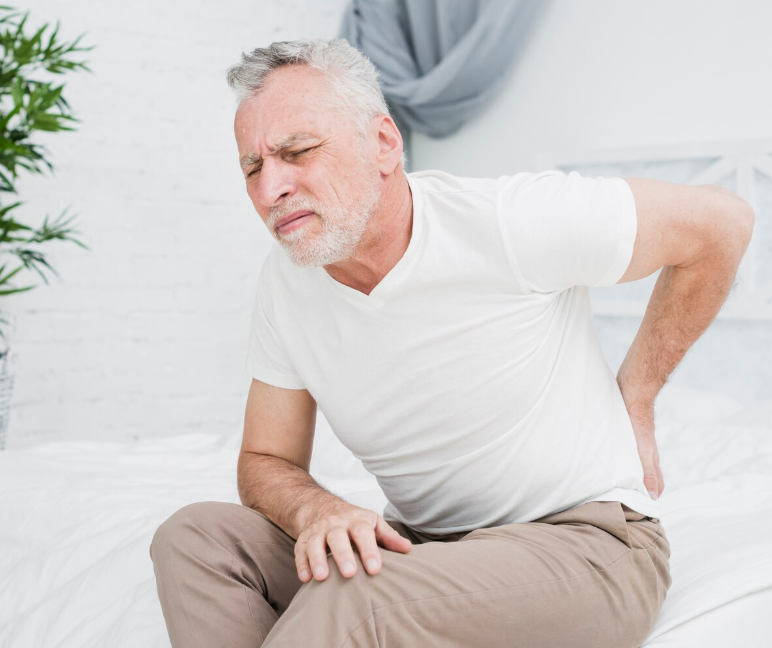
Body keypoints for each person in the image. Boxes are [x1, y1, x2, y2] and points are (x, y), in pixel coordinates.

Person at [149, 38, 754, 648]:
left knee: (356, 601)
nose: (268, 189)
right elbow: (265, 461)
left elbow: (722, 225)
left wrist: (639, 394)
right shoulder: (287, 285)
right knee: (195, 539)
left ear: (383, 144)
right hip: (426, 551)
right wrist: (317, 510)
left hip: (584, 544)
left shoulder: (512, 220)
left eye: (297, 151)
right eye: (251, 167)